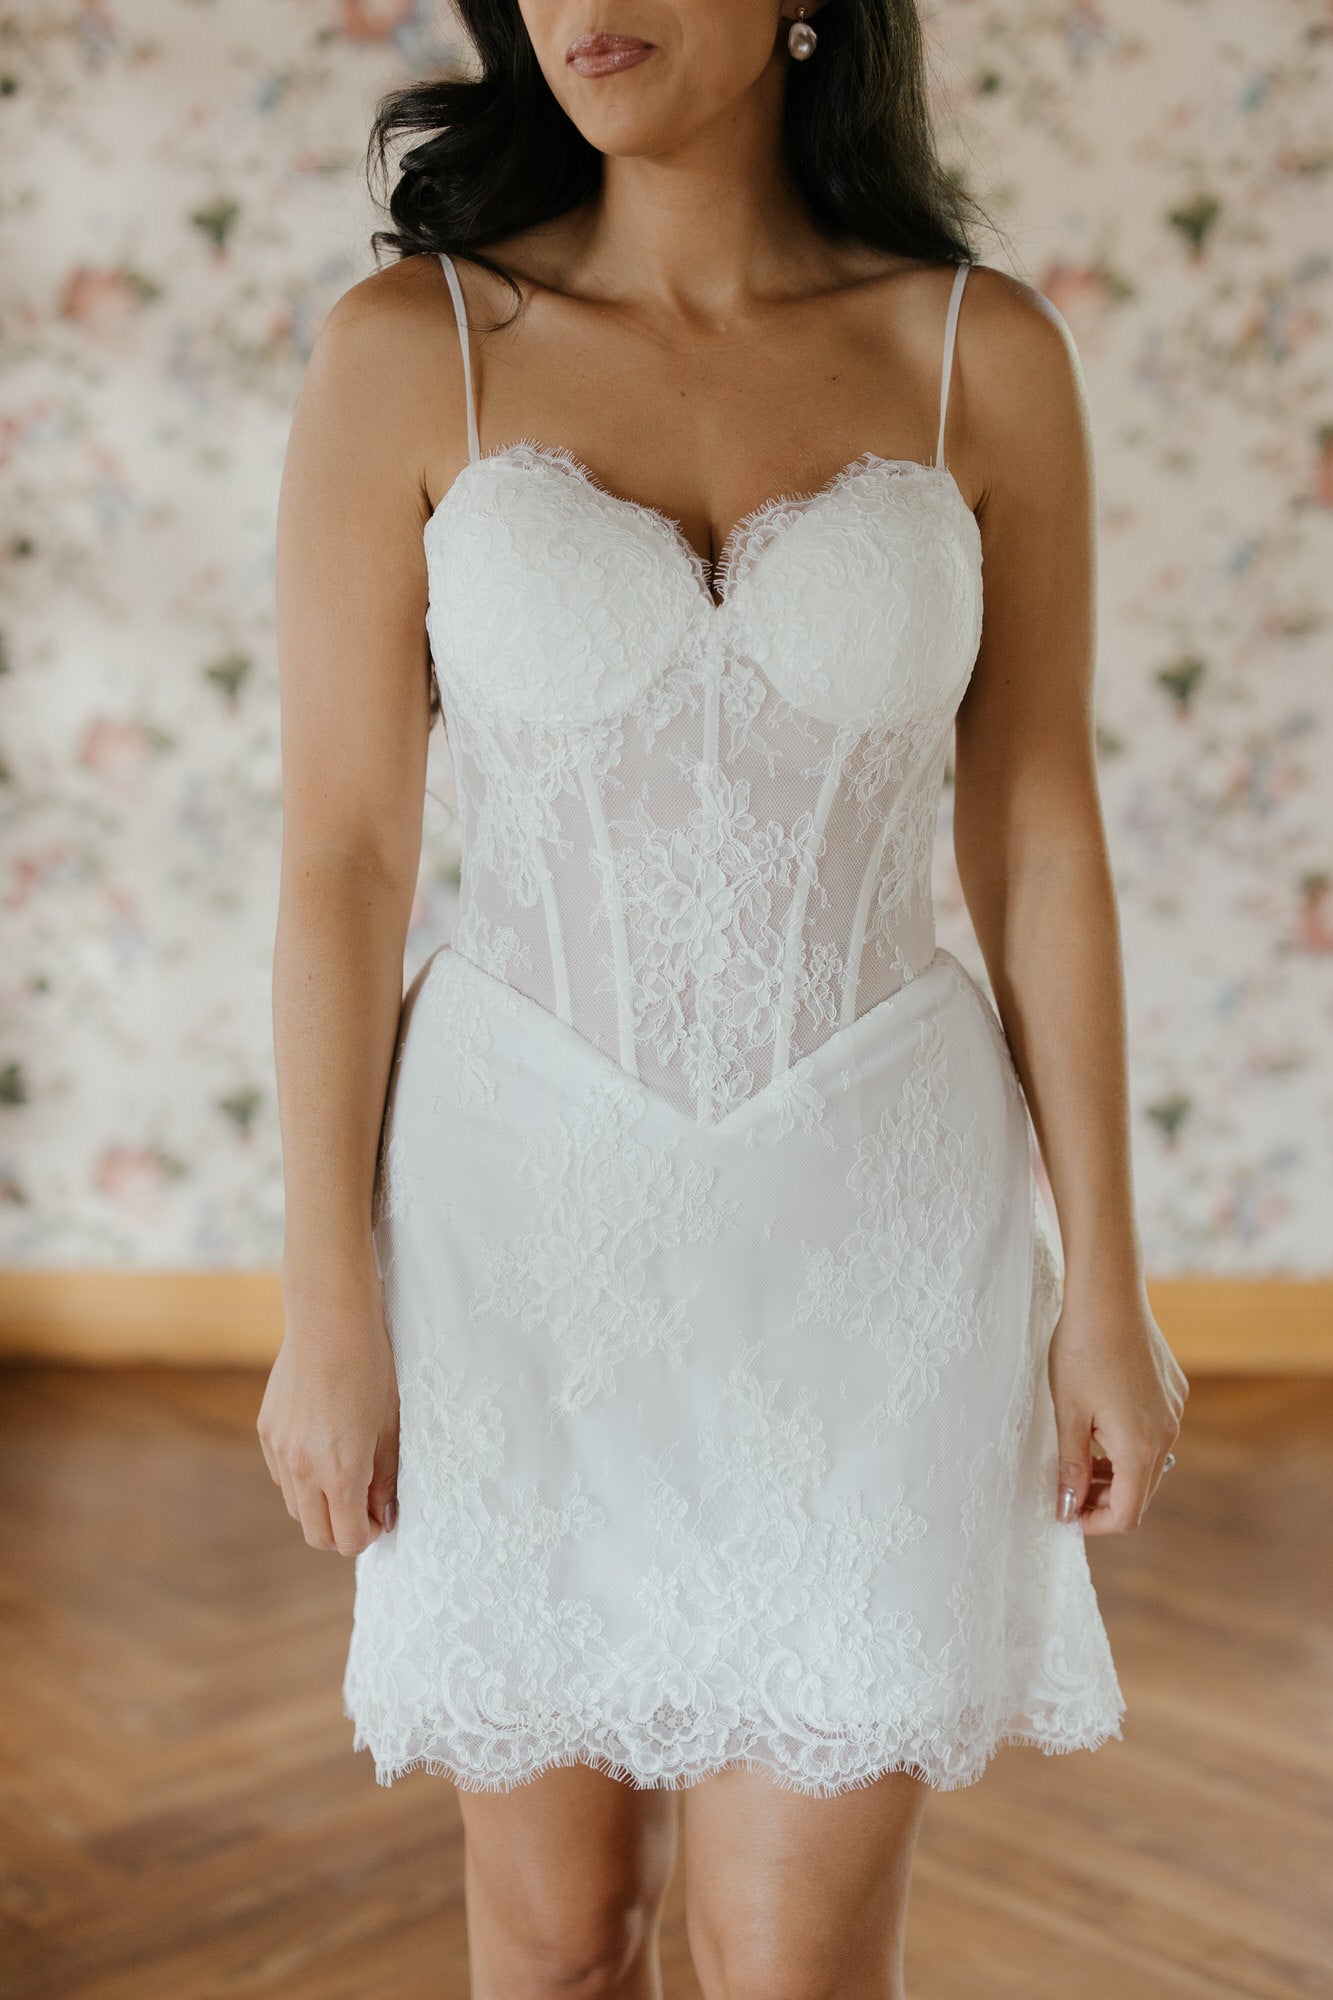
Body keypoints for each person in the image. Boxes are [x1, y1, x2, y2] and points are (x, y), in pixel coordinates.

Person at [258, 3, 1188, 1994]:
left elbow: (1037, 835)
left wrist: (1103, 1280)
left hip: (876, 1238)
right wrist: (324, 1302)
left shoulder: (977, 356)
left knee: (790, 1957)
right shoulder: (409, 353)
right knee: (559, 1931)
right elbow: (344, 858)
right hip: (513, 1237)